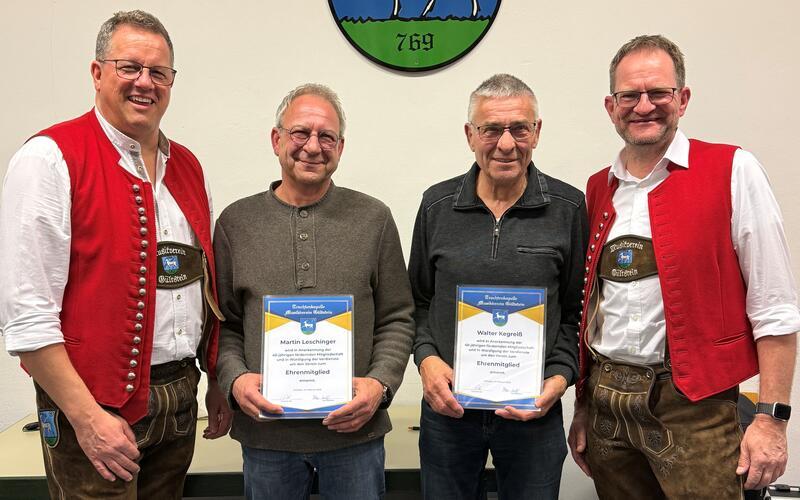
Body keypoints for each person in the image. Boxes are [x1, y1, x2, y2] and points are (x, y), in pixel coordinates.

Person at [0, 10, 232, 499]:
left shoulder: (187, 165)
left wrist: (213, 379)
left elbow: (200, 287)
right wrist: (86, 418)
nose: (145, 83)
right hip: (92, 404)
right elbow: (27, 319)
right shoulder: (49, 158)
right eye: (129, 67)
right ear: (97, 72)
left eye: (159, 73)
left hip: (178, 398)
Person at [568, 34, 799, 499]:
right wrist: (583, 407)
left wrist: (771, 419)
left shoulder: (733, 169)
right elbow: (593, 308)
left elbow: (774, 305)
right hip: (608, 407)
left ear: (683, 98)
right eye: (630, 96)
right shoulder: (597, 188)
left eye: (659, 93)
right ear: (611, 106)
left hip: (696, 408)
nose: (644, 106)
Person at [214, 83, 415, 500]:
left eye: (327, 137)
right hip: (268, 441)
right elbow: (225, 324)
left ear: (340, 147)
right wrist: (234, 380)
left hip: (355, 438)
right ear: (276, 140)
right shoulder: (235, 223)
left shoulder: (374, 218)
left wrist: (380, 385)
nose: (313, 147)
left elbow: (397, 316)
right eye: (300, 133)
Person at [408, 73, 588, 499]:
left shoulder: (569, 207)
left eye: (519, 128)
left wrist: (559, 380)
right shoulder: (436, 205)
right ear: (470, 135)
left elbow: (579, 311)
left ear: (536, 132)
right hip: (448, 411)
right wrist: (427, 361)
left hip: (534, 413)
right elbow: (415, 302)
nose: (506, 144)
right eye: (491, 129)